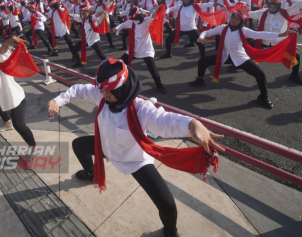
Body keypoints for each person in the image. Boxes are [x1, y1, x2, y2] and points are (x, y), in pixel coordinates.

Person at [47, 58, 224, 237]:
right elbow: (79, 90)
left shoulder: (140, 108)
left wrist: (191, 123)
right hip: (106, 146)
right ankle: (91, 173)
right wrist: (58, 101)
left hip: (134, 159)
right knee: (78, 145)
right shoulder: (103, 94)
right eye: (103, 92)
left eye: (110, 93)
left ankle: (170, 231)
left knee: (168, 204)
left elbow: (164, 121)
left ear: (123, 87)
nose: (105, 96)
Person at [189, 11, 297, 109]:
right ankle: (200, 80)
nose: (234, 20)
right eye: (233, 17)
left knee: (260, 74)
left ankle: (263, 97)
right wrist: (202, 37)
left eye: (237, 19)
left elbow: (261, 34)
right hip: (224, 55)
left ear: (241, 21)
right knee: (202, 61)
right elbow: (208, 32)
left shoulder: (244, 30)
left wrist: (282, 34)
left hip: (239, 57)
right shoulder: (222, 28)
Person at [249, 0, 302, 85]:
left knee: (296, 55)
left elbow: (301, 3)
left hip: (280, 42)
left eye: (274, 7)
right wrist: (235, 10)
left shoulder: (285, 12)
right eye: (270, 7)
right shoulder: (262, 13)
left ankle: (294, 75)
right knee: (246, 45)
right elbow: (248, 14)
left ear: (278, 6)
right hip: (264, 40)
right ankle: (237, 63)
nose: (272, 9)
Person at [115, 6, 167, 94]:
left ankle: (159, 86)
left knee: (153, 69)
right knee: (120, 64)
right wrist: (117, 28)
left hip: (146, 50)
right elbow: (123, 24)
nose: (133, 20)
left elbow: (153, 16)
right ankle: (116, 82)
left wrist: (157, 10)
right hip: (134, 49)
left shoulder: (146, 21)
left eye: (135, 18)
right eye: (132, 18)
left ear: (139, 16)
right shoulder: (132, 22)